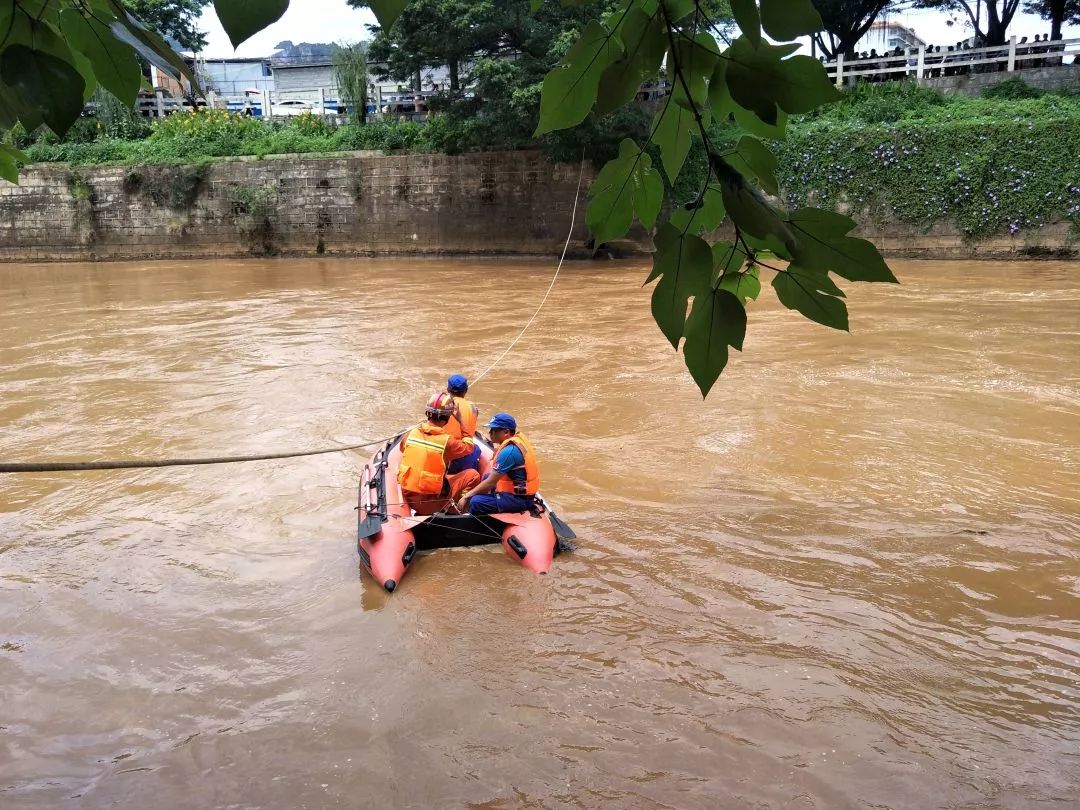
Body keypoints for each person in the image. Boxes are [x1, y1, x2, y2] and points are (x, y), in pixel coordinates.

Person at [397, 392, 480, 516]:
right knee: (472, 475)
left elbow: (403, 449)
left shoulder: (411, 434)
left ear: (428, 413)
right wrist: (461, 420)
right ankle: (456, 508)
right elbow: (469, 447)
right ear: (447, 417)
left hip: (407, 495)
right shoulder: (447, 442)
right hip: (430, 502)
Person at [456, 413, 540, 516]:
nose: (490, 433)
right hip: (518, 493)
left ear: (506, 432)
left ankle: (474, 522)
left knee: (476, 502)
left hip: (520, 500)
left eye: (494, 430)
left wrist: (466, 496)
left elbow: (491, 482)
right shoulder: (515, 443)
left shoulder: (509, 452)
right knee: (487, 476)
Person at [444, 373, 481, 473]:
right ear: (466, 391)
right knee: (476, 449)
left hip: (444, 448)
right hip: (462, 450)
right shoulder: (474, 409)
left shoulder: (442, 404)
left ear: (448, 389)